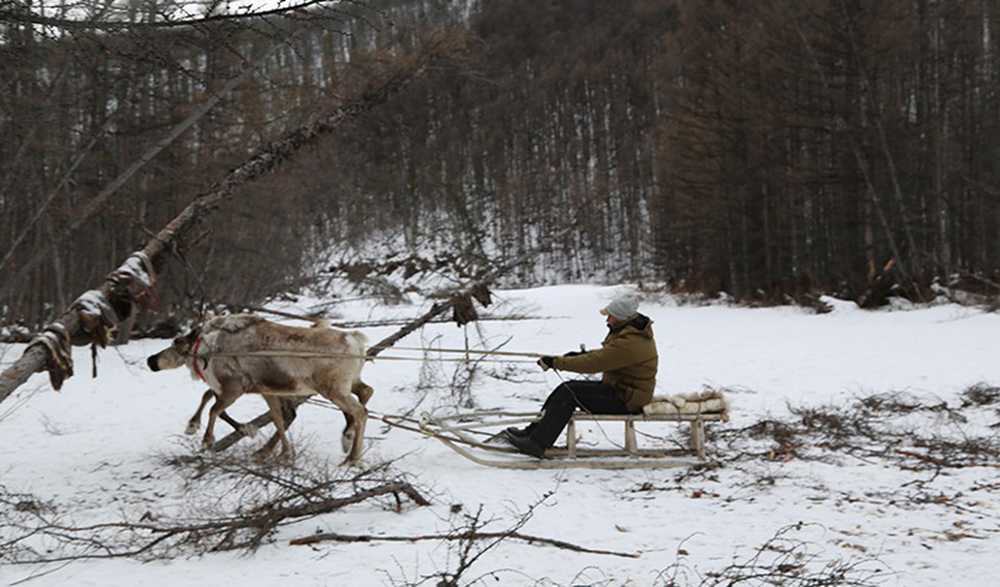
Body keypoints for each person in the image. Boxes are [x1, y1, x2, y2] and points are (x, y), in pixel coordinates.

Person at [505, 293, 659, 458]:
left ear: (621, 318)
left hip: (627, 400)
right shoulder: (630, 333)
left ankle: (537, 443)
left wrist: (557, 362)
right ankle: (532, 433)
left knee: (569, 394)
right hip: (622, 391)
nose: (607, 320)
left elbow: (594, 363)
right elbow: (605, 355)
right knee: (567, 388)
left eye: (610, 316)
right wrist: (576, 356)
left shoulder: (631, 342)